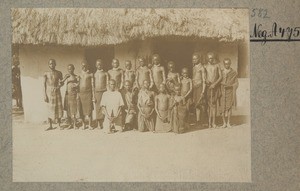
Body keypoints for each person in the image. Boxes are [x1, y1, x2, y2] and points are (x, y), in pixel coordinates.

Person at [43, 59, 66, 130]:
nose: (51, 65)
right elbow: (44, 85)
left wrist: (59, 86)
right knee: (50, 108)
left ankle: (59, 124)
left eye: (53, 63)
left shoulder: (59, 73)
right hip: (49, 92)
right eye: (50, 64)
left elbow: (62, 83)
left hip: (57, 92)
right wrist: (44, 94)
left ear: (55, 64)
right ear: (48, 65)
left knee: (58, 108)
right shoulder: (46, 73)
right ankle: (50, 125)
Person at [219, 58, 238, 128]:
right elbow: (218, 80)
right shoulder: (221, 72)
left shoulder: (234, 73)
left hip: (230, 92)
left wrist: (230, 85)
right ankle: (224, 123)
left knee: (229, 108)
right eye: (225, 64)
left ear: (230, 64)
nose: (227, 65)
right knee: (222, 108)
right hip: (222, 91)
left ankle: (229, 122)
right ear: (223, 64)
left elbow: (236, 83)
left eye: (228, 63)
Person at [205, 52, 222, 128]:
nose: (210, 59)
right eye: (209, 58)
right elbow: (204, 77)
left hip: (215, 87)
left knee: (214, 105)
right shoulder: (205, 66)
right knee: (209, 105)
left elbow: (220, 77)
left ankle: (214, 122)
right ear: (207, 58)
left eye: (212, 58)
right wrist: (206, 81)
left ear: (214, 58)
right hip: (208, 87)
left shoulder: (217, 66)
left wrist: (214, 84)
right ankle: (209, 122)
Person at [78, 60, 95, 130]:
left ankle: (90, 124)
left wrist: (93, 95)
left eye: (85, 66)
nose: (84, 67)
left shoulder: (90, 74)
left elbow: (92, 85)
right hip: (81, 94)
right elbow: (77, 84)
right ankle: (83, 125)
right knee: (81, 109)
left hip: (88, 93)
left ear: (87, 66)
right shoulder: (79, 75)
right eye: (83, 66)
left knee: (89, 109)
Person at [192, 53, 206, 127]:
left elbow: (204, 80)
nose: (194, 60)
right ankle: (197, 121)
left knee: (201, 105)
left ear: (199, 59)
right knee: (196, 105)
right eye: (193, 59)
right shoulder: (194, 67)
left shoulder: (202, 68)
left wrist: (203, 91)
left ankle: (202, 121)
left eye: (195, 59)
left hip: (200, 87)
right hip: (195, 88)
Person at [94, 59, 109, 129]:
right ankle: (98, 123)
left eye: (100, 64)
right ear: (96, 65)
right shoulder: (94, 74)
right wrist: (93, 95)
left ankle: (104, 123)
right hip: (97, 92)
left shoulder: (105, 73)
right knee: (98, 108)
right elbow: (93, 85)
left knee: (104, 107)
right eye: (97, 64)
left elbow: (107, 83)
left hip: (104, 91)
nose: (99, 66)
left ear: (102, 65)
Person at [63, 64, 79, 129]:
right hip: (67, 95)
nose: (70, 70)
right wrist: (64, 79)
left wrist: (76, 85)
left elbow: (78, 85)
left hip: (73, 95)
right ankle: (70, 124)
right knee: (68, 110)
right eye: (69, 69)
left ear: (73, 69)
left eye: (71, 69)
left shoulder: (76, 76)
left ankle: (75, 124)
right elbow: (61, 83)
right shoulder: (66, 76)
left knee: (73, 110)